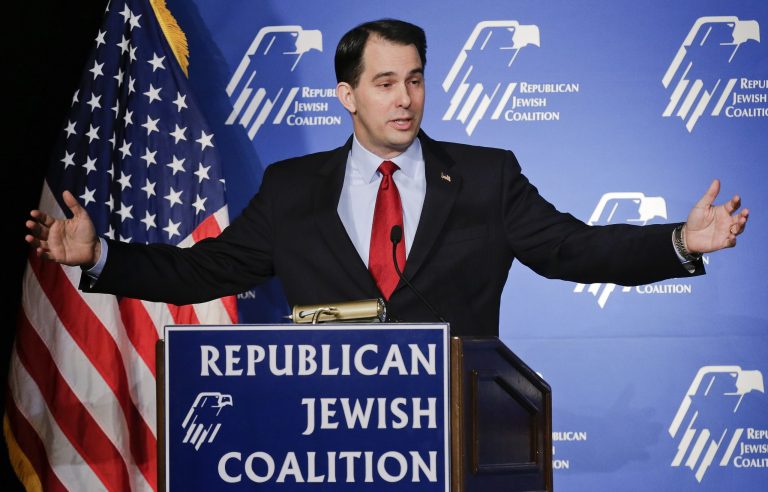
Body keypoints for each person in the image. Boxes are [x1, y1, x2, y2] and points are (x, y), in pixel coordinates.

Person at [25, 19, 749, 337]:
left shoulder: (487, 176)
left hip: (455, 423)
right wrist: (100, 257)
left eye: (414, 80)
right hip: (331, 434)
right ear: (347, 95)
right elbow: (205, 270)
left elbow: (576, 251)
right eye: (383, 83)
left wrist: (680, 241)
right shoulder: (291, 187)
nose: (404, 99)